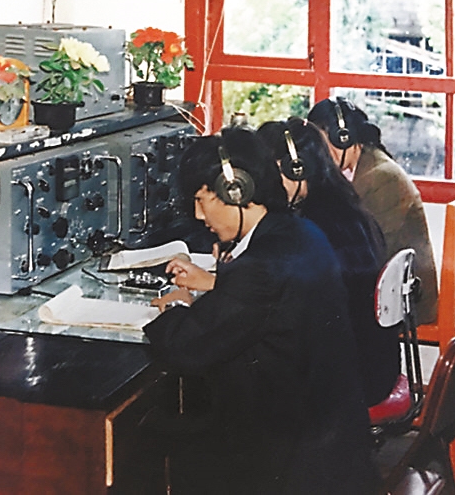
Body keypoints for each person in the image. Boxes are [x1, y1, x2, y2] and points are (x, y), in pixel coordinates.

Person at [143, 127, 377, 494]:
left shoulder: (259, 268)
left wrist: (171, 308)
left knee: (151, 443)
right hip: (327, 439)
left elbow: (184, 348)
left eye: (201, 200)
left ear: (235, 191)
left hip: (294, 462)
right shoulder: (302, 232)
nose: (198, 215)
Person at [257, 117, 399, 407]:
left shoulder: (313, 225)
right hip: (374, 368)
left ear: (296, 169)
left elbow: (279, 298)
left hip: (348, 381)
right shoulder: (342, 205)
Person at [307, 97, 439, 325]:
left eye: (322, 144)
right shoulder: (366, 164)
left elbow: (361, 253)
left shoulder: (381, 178)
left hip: (404, 302)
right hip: (386, 290)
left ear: (343, 137)